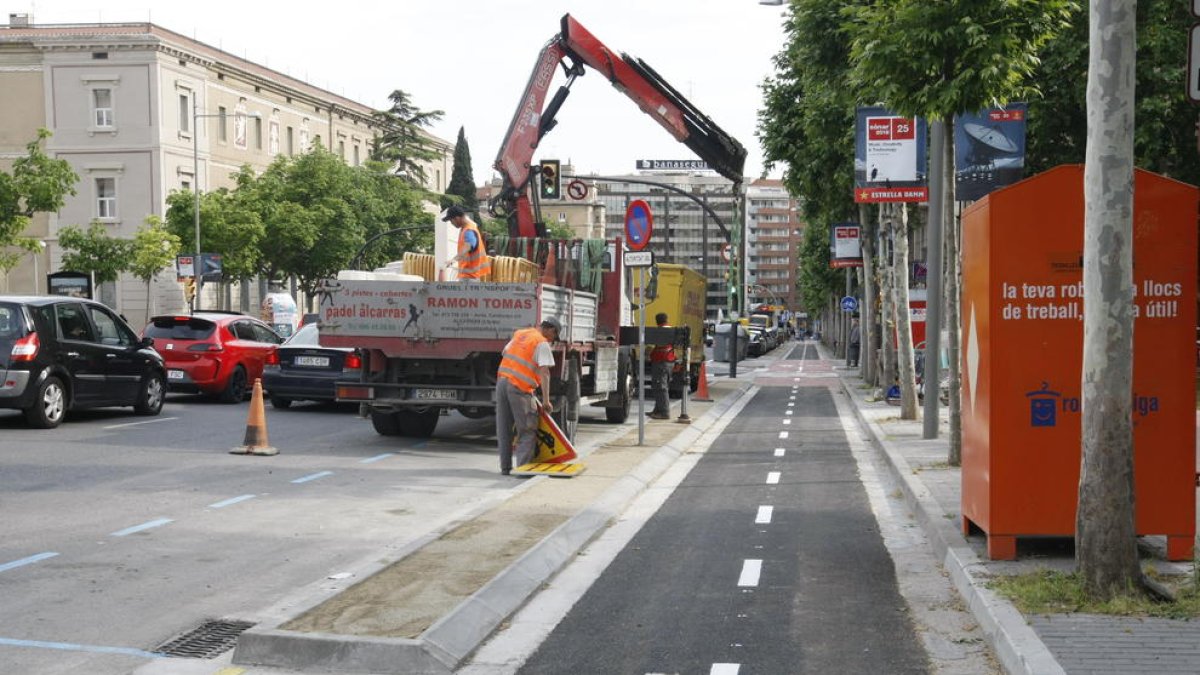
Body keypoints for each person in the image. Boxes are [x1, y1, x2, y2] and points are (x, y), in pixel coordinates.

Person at [495, 317, 560, 475]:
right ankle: (524, 470)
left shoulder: (521, 334)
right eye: (554, 336)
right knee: (527, 429)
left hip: (502, 383)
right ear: (551, 330)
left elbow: (505, 352)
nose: (553, 341)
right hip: (519, 387)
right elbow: (545, 373)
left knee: (504, 429)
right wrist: (546, 401)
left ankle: (505, 468)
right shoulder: (541, 342)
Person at [442, 205, 492, 281]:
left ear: (457, 218)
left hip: (469, 277)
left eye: (451, 221)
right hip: (469, 275)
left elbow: (468, 247)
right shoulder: (466, 228)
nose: (452, 224)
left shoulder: (469, 230)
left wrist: (453, 260)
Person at [648, 312, 675, 420]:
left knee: (660, 387)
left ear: (657, 321)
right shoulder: (671, 329)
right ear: (666, 319)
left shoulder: (660, 331)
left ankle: (664, 412)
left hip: (661, 362)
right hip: (669, 362)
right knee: (662, 387)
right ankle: (657, 410)